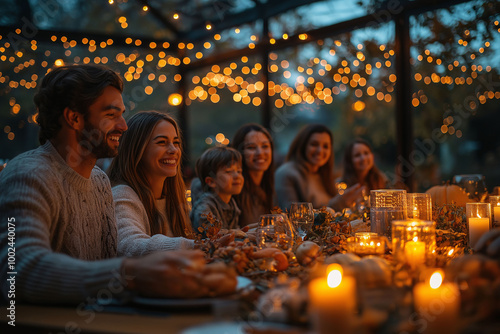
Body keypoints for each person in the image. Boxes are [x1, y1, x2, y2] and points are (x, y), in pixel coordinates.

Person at [0, 64, 230, 305]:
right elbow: (16, 270)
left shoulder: (99, 181)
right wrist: (130, 274)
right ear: (74, 118)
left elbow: (112, 258)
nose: (123, 126)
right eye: (111, 115)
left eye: (122, 114)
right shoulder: (29, 175)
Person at [108, 111, 195, 257]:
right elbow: (130, 244)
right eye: (162, 142)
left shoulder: (174, 196)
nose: (173, 150)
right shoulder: (122, 194)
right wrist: (197, 245)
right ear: (137, 150)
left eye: (176, 143)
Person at [274, 124, 365, 211]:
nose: (320, 150)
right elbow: (292, 216)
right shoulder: (286, 173)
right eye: (314, 144)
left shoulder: (323, 174)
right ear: (302, 146)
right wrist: (334, 206)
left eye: (325, 146)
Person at [230, 123, 276, 226]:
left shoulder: (271, 185)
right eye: (251, 147)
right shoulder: (233, 189)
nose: (260, 152)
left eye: (265, 146)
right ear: (239, 152)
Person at [190, 146, 244, 230]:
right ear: (211, 182)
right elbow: (214, 236)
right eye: (228, 171)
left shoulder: (231, 203)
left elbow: (234, 231)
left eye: (239, 171)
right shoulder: (204, 207)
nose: (237, 176)